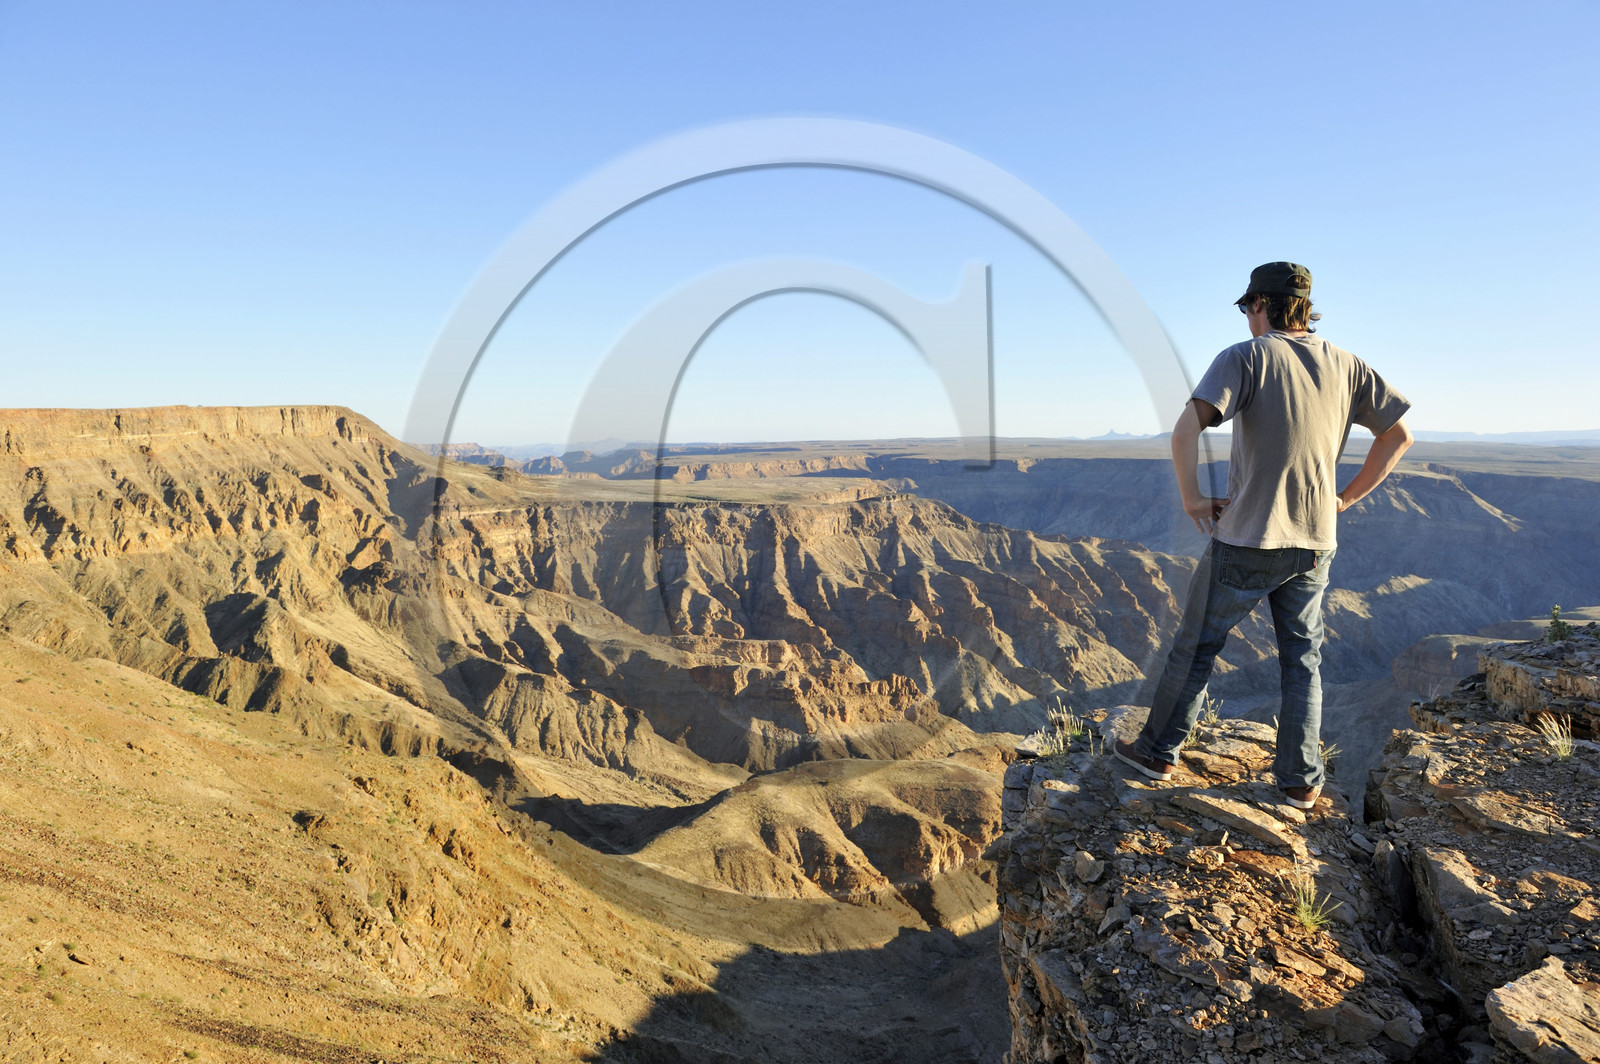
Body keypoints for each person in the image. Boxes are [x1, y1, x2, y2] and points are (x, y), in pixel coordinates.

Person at [1113, 262, 1413, 809]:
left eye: (1248, 307)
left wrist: (1192, 498)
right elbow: (1399, 436)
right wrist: (1343, 499)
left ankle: (1157, 752)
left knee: (1197, 646)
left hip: (1248, 537)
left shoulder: (1245, 356)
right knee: (1303, 659)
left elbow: (1186, 428)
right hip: (1315, 540)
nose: (1248, 317)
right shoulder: (1348, 364)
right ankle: (1299, 780)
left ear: (1260, 305)